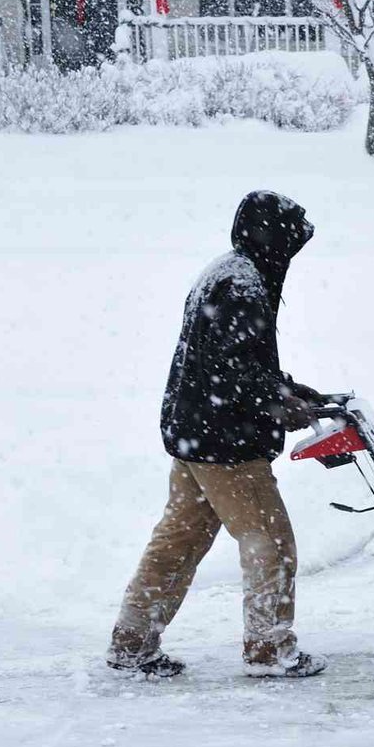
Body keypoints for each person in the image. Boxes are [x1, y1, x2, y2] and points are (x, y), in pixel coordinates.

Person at [107, 191, 327, 679]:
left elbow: (235, 362)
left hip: (194, 435)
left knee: (179, 540)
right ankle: (270, 648)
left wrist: (288, 389)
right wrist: (277, 405)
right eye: (290, 241)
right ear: (272, 237)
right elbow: (230, 373)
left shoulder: (227, 272)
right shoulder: (241, 287)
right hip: (226, 443)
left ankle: (132, 640)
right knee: (270, 541)